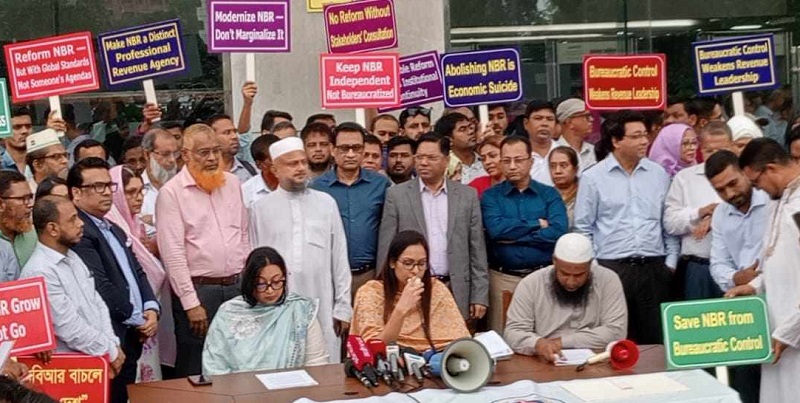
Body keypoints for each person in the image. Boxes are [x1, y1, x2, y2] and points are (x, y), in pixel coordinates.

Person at [574, 110, 678, 344]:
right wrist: (595, 267)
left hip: (654, 267)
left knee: (656, 340)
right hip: (612, 267)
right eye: (636, 136)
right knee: (616, 338)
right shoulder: (593, 177)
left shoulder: (658, 174)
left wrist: (670, 262)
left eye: (645, 135)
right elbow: (583, 227)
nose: (644, 141)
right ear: (616, 141)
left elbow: (667, 222)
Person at [156, 124, 251, 376]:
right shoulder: (171, 193)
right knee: (196, 366)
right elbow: (173, 254)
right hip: (199, 291)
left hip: (236, 287)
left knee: (240, 359)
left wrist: (246, 283)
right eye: (203, 152)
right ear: (185, 155)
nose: (211, 158)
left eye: (215, 151)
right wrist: (191, 304)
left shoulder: (232, 183)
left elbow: (243, 234)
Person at [249, 137, 352, 362]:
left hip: (322, 301)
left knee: (323, 363)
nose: (301, 168)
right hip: (276, 304)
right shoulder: (260, 208)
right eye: (292, 163)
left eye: (303, 162)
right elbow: (255, 263)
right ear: (274, 169)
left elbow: (339, 258)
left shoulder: (326, 203)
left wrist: (343, 307)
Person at [67, 157, 159, 402]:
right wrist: (138, 319)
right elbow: (100, 286)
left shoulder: (113, 227)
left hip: (131, 333)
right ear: (76, 193)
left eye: (108, 185)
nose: (107, 192)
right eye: (97, 186)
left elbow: (138, 272)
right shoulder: (80, 232)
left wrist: (151, 307)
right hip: (111, 334)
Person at [377, 133, 489, 321]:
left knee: (455, 337)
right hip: (410, 287)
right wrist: (385, 289)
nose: (423, 163)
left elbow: (477, 249)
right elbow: (386, 247)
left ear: (447, 160)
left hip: (455, 287)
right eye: (419, 157)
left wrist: (479, 295)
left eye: (431, 158)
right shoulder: (396, 195)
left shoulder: (467, 196)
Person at [21, 196, 124, 386]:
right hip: (68, 372)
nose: (81, 223)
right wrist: (109, 350)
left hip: (96, 360)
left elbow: (97, 303)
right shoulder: (40, 271)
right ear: (53, 229)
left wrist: (112, 344)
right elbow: (68, 326)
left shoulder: (73, 257)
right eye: (72, 219)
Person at [728, 138, 800, 403]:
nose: (757, 189)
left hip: (792, 331)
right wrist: (754, 286)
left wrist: (789, 332)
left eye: (756, 182)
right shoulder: (778, 202)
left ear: (770, 169)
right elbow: (777, 260)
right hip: (776, 329)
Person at [481, 136, 568, 332]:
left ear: (531, 161)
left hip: (543, 276)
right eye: (506, 160)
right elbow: (496, 230)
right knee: (502, 337)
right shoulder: (491, 196)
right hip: (504, 278)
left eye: (518, 160)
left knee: (545, 334)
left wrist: (513, 238)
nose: (512, 166)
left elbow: (558, 232)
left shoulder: (549, 194)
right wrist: (536, 224)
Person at [202, 247, 329, 375]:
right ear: (249, 282)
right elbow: (214, 366)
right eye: (261, 284)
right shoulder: (228, 313)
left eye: (276, 282)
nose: (270, 290)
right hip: (238, 387)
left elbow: (316, 364)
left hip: (293, 385)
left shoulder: (300, 310)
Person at [504, 233, 627, 361]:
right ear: (554, 261)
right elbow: (513, 333)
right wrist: (537, 344)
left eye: (579, 275)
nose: (571, 282)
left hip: (596, 361)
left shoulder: (608, 280)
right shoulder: (531, 283)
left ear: (590, 265)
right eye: (564, 273)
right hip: (544, 361)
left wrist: (560, 343)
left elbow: (616, 332)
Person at [705, 150, 766, 403]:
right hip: (742, 308)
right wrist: (736, 278)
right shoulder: (721, 214)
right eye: (720, 190)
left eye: (733, 183)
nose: (730, 194)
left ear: (745, 172)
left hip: (777, 298)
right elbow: (717, 263)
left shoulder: (772, 201)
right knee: (745, 382)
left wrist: (756, 281)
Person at [106, 165, 172, 381]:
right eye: (130, 192)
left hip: (149, 314)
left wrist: (150, 308)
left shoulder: (138, 226)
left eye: (141, 190)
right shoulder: (113, 229)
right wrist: (137, 317)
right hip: (129, 322)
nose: (139, 197)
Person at [351, 231, 469, 352]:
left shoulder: (437, 289)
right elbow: (374, 347)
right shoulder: (371, 292)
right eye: (408, 263)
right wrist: (401, 309)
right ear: (392, 262)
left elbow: (461, 339)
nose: (416, 271)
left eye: (422, 264)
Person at [311, 123, 391, 297]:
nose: (351, 154)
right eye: (344, 148)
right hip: (330, 277)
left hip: (370, 275)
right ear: (332, 149)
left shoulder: (381, 185)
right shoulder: (316, 188)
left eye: (357, 148)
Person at [664, 121, 733, 300]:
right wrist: (699, 213)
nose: (716, 157)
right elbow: (670, 223)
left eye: (722, 151)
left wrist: (715, 216)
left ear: (732, 147)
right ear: (701, 149)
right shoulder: (684, 178)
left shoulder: (743, 177)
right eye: (710, 151)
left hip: (735, 267)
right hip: (698, 267)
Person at [140, 128, 180, 237]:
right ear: (146, 154)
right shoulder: (137, 191)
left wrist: (153, 219)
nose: (172, 160)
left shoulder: (185, 187)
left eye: (175, 153)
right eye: (166, 154)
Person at [0, 170, 36, 279]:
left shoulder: (35, 236)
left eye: (30, 198)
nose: (29, 204)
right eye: (22, 199)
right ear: (1, 204)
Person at [436, 113, 486, 185]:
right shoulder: (444, 168)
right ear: (449, 140)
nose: (471, 132)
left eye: (470, 127)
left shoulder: (485, 160)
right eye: (462, 129)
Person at [207, 114, 257, 184]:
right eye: (227, 133)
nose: (234, 136)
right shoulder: (203, 174)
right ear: (212, 138)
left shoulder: (252, 170)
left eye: (235, 132)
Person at [555, 98, 596, 171]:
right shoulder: (553, 151)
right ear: (569, 122)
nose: (591, 119)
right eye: (586, 116)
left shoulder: (594, 151)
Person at [524, 101, 559, 185]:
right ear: (525, 123)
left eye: (550, 119)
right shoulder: (517, 156)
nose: (544, 124)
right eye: (538, 118)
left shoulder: (568, 153)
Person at [241, 134, 281, 210]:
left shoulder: (295, 183)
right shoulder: (247, 192)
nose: (280, 162)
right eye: (272, 159)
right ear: (259, 165)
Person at [548, 146, 580, 230]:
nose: (557, 171)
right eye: (553, 166)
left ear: (575, 169)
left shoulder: (586, 194)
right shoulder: (544, 196)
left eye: (563, 165)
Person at [1, 107, 34, 175]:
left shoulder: (42, 162)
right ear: (4, 132)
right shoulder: (1, 164)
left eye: (28, 126)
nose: (24, 131)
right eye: (17, 127)